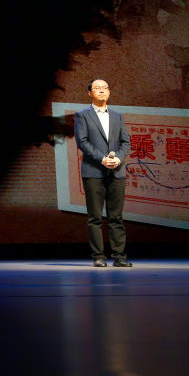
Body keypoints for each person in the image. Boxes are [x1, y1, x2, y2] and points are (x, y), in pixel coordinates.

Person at [73, 79, 132, 267]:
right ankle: (98, 256)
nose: (101, 91)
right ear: (89, 93)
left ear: (109, 92)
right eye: (97, 88)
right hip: (94, 172)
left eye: (104, 88)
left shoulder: (117, 116)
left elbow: (125, 143)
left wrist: (118, 159)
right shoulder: (82, 115)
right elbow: (82, 142)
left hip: (117, 171)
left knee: (116, 217)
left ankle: (119, 257)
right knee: (95, 217)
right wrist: (102, 159)